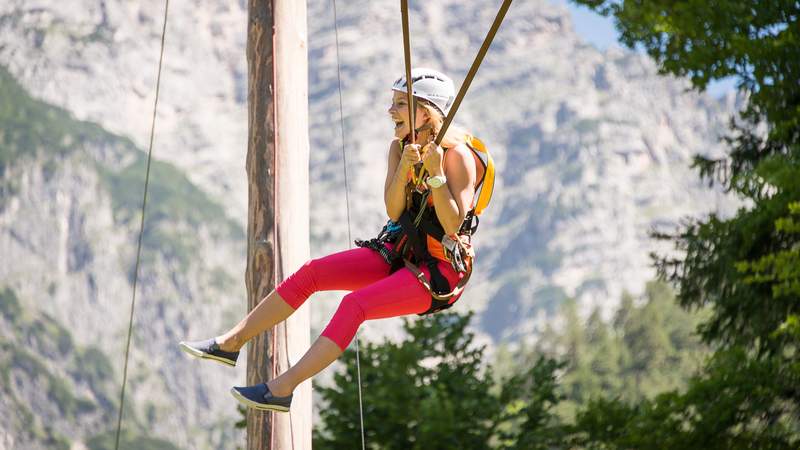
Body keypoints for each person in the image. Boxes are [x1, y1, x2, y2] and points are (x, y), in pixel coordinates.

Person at [179, 68, 487, 412]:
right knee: (313, 273)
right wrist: (406, 167)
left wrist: (435, 174)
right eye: (393, 103)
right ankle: (232, 342)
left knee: (354, 305)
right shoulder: (399, 148)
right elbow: (394, 208)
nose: (391, 111)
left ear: (426, 113)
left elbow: (452, 223)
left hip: (439, 273)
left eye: (401, 104)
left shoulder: (458, 156)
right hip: (400, 251)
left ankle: (282, 389)